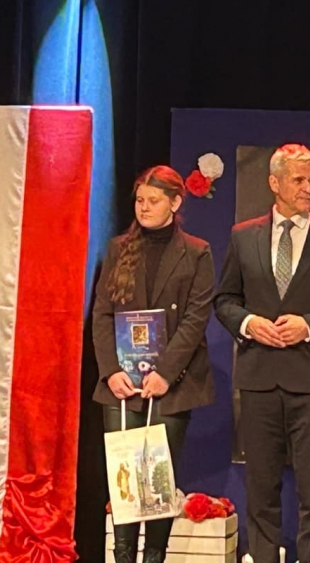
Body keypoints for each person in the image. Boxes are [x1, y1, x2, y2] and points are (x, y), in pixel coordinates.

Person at [214, 144, 310, 563]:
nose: (308, 188)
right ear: (274, 182)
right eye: (298, 180)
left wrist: (309, 326)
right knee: (260, 488)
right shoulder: (243, 236)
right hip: (259, 379)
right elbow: (225, 299)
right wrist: (249, 323)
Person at [92, 166, 215, 563]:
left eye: (154, 201)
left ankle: (155, 556)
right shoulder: (118, 249)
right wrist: (111, 371)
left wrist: (165, 374)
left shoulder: (196, 252)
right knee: (125, 475)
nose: (144, 207)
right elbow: (102, 314)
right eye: (140, 200)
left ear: (175, 203)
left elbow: (196, 318)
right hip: (122, 383)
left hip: (171, 383)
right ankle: (123, 554)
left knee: (158, 476)